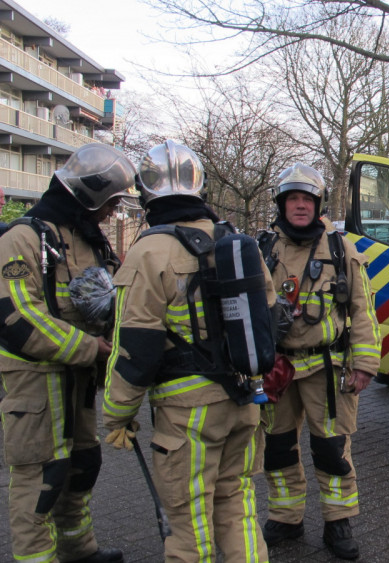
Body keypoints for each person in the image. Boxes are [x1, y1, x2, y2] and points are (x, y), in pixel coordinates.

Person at [102, 140, 274, 562]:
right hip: (244, 401)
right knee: (237, 507)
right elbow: (271, 318)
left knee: (189, 520)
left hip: (188, 413)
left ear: (146, 193)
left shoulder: (147, 250)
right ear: (201, 189)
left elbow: (135, 347)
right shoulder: (235, 242)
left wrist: (117, 412)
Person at [0, 143, 134, 563]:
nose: (112, 213)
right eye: (110, 203)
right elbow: (19, 319)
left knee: (82, 466)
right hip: (35, 387)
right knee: (41, 478)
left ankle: (79, 550)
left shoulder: (87, 242)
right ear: (89, 194)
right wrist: (90, 347)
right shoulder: (23, 238)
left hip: (78, 382)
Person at [257, 163, 381, 559]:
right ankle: (285, 516)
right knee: (277, 448)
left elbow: (363, 310)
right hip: (277, 368)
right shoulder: (262, 249)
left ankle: (337, 520)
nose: (299, 206)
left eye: (306, 199)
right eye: (292, 198)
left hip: (326, 369)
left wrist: (363, 364)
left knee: (331, 448)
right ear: (281, 203)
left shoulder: (339, 248)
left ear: (317, 204)